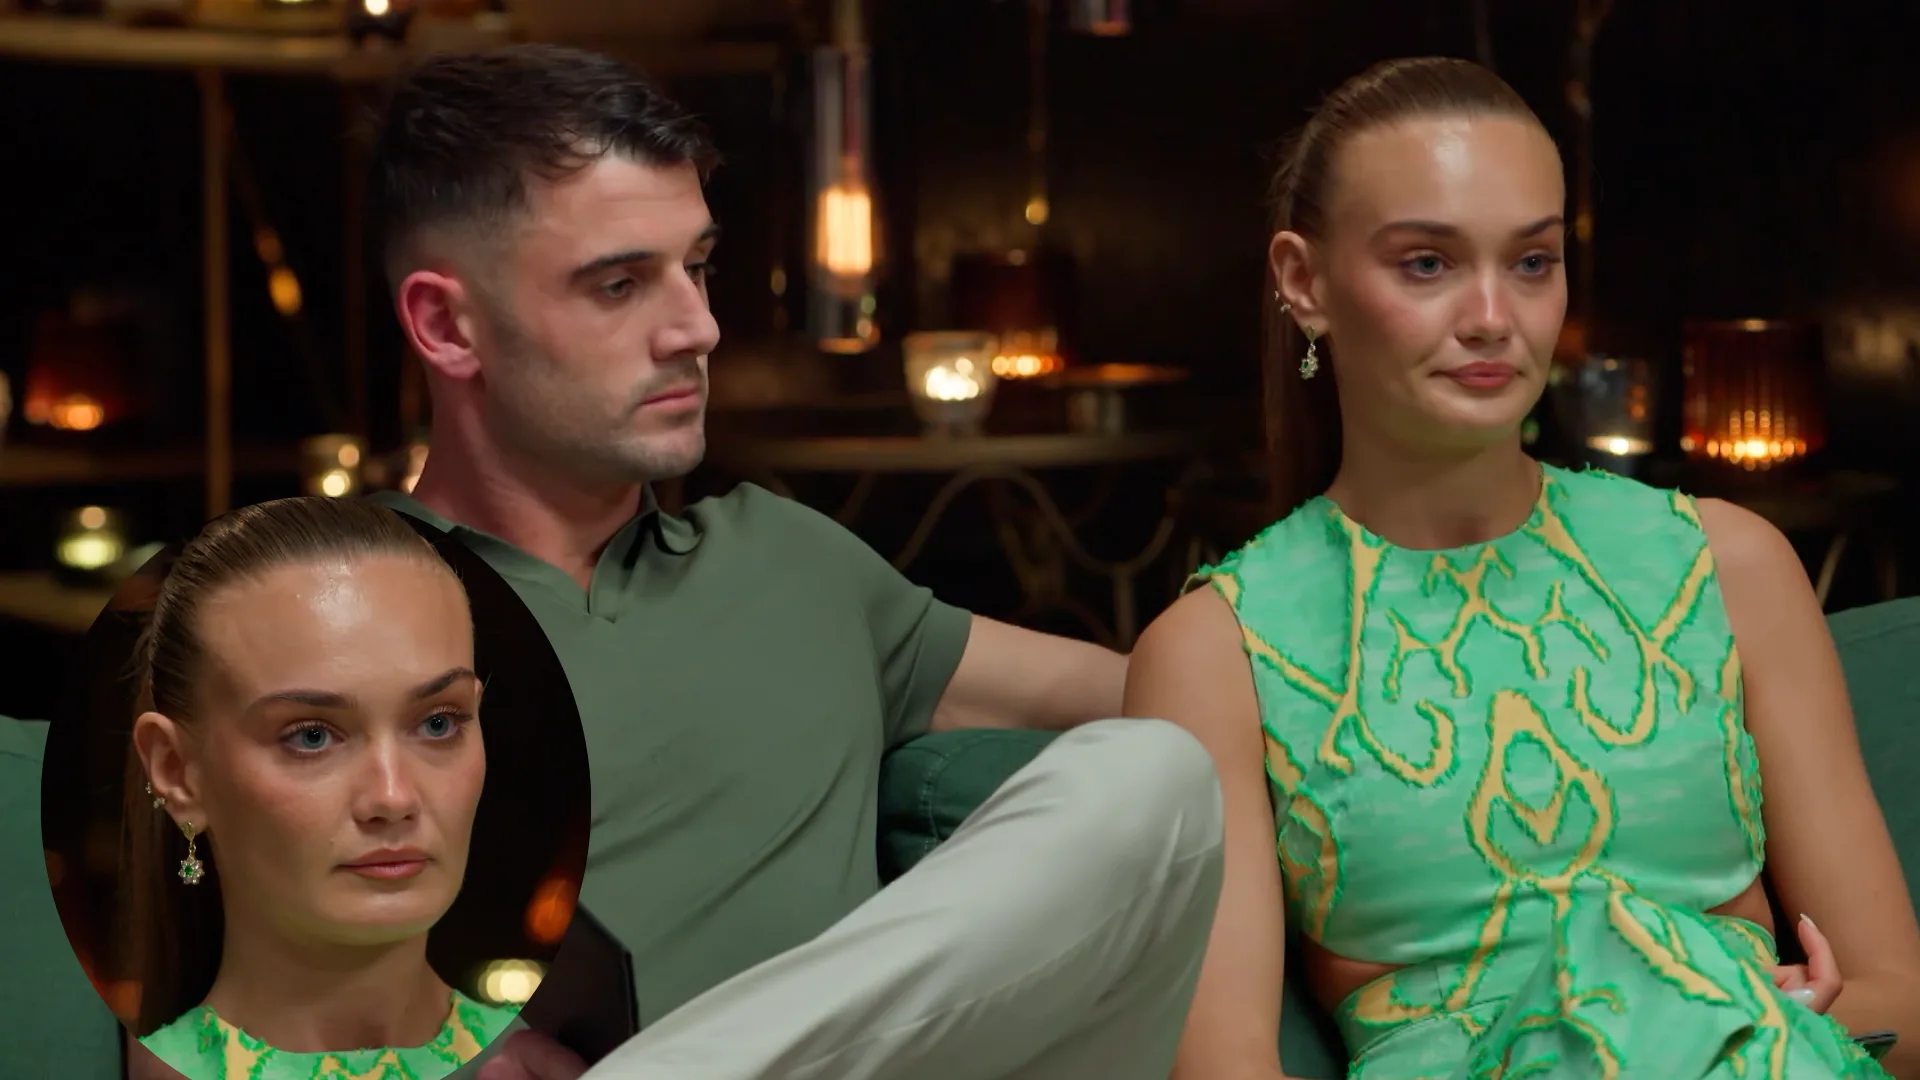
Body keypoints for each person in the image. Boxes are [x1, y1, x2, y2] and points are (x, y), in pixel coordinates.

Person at [363, 44, 1224, 1080]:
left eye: (697, 268)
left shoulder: (789, 561)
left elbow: (1172, 700)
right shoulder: (323, 610)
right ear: (447, 325)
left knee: (1154, 773)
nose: (698, 328)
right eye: (620, 284)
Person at [1124, 56, 1920, 1080]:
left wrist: (1738, 1026)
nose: (1494, 316)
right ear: (1304, 282)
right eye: (1427, 264)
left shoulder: (1727, 566)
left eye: (1533, 262)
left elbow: (1903, 1004)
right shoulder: (1216, 651)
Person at [124, 497, 520, 1079]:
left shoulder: (565, 1058)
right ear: (178, 772)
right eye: (311, 736)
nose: (393, 797)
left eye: (438, 723)